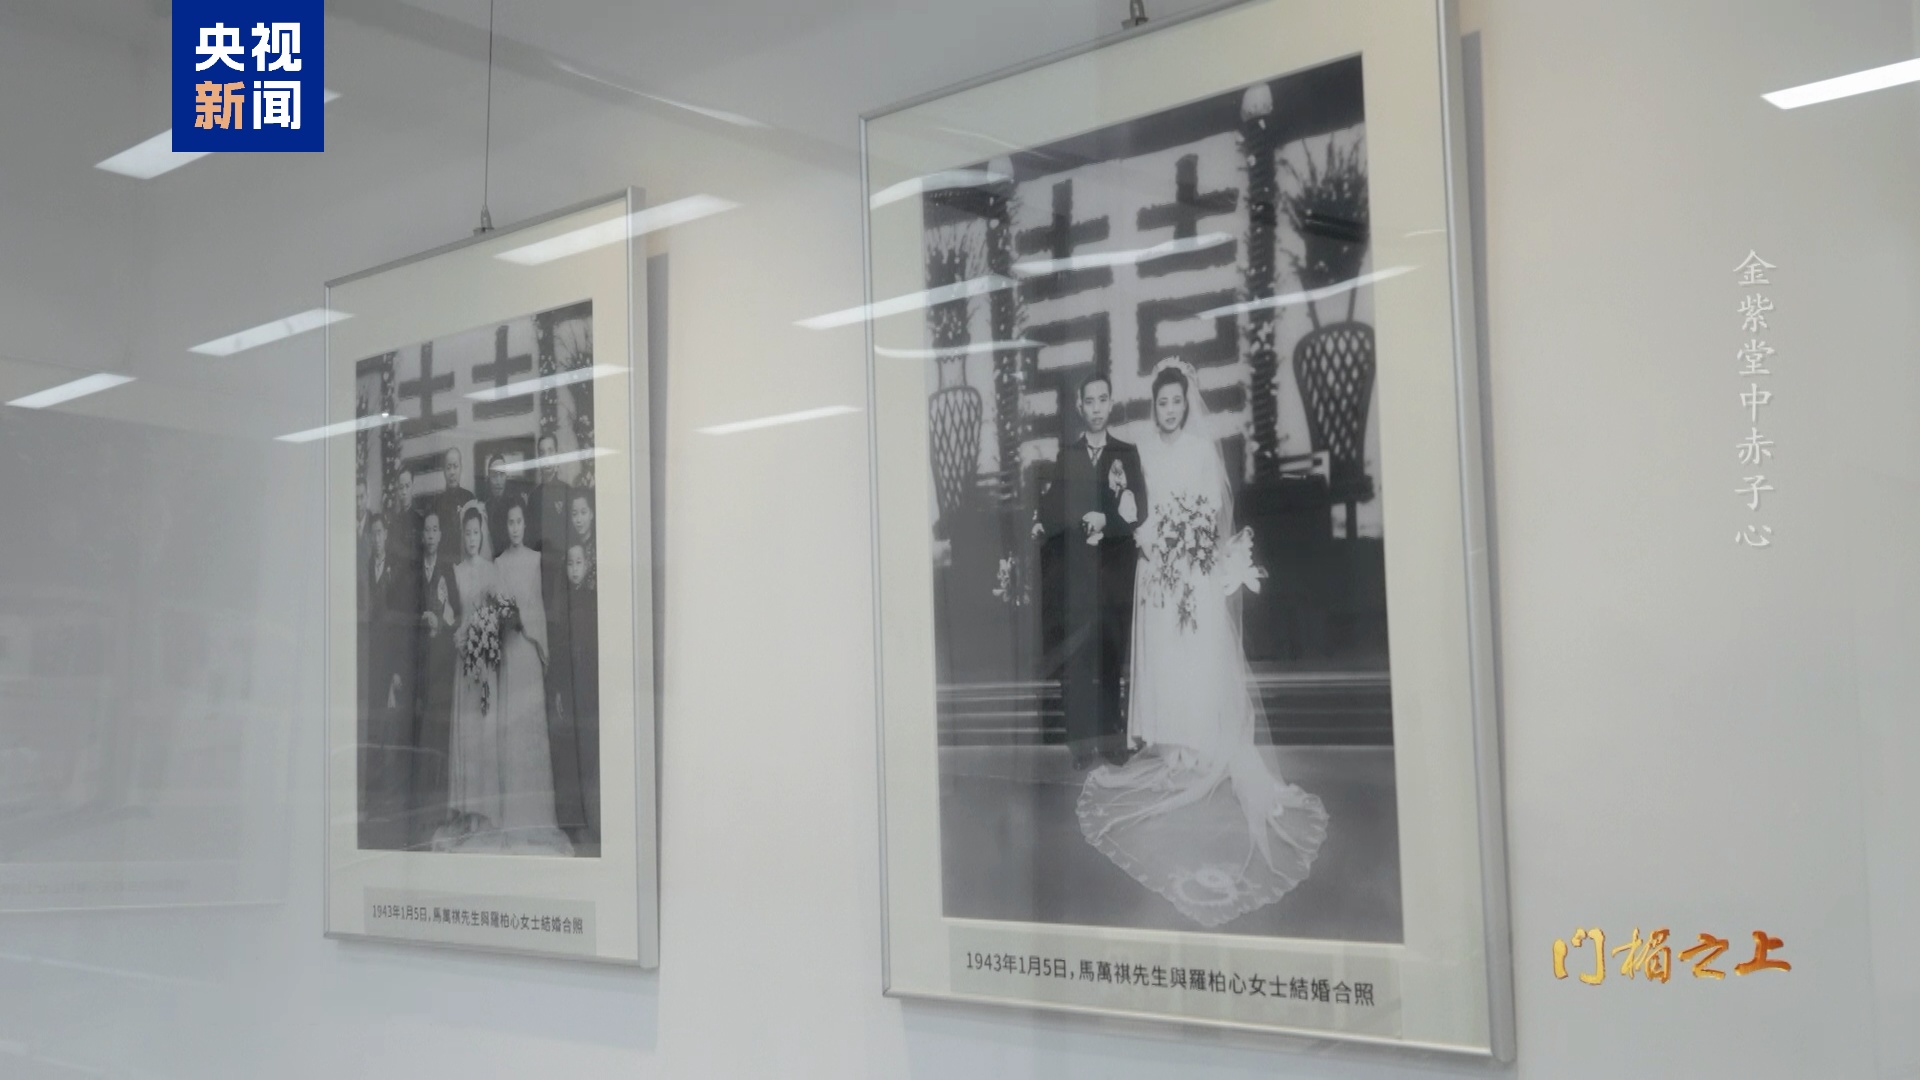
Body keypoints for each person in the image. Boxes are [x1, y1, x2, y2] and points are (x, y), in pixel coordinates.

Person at [1076, 359, 1328, 929]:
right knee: (1163, 657)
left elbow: (1212, 508)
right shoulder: (1142, 449)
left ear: (1186, 404)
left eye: (1176, 403)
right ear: (1154, 406)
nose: (1169, 411)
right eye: (1162, 403)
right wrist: (1147, 534)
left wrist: (1189, 539)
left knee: (1193, 653)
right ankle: (1173, 743)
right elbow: (1135, 504)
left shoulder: (1196, 449)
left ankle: (1200, 742)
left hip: (1190, 567)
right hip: (1157, 567)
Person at [1036, 373, 1145, 770]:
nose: (1097, 408)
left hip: (1115, 572)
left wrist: (1107, 520)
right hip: (1078, 573)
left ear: (1111, 403)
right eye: (1090, 401)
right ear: (1080, 407)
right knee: (1079, 659)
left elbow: (1139, 510)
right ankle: (1081, 742)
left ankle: (1113, 737)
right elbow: (1054, 508)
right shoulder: (1069, 455)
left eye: (1103, 399)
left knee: (1111, 658)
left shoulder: (1126, 453)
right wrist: (1063, 520)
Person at [486, 499, 573, 854]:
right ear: (505, 526)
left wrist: (526, 620)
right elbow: (497, 610)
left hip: (529, 652)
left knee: (531, 730)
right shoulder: (499, 564)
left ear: (525, 524)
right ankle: (513, 817)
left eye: (519, 521)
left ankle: (537, 816)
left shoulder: (536, 560)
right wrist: (506, 619)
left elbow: (537, 605)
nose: (515, 528)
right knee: (512, 728)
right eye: (510, 522)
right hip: (510, 652)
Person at [410, 509, 461, 847]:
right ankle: (420, 814)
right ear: (422, 535)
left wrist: (439, 620)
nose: (430, 535)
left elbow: (457, 614)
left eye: (434, 530)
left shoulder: (447, 570)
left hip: (441, 663)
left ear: (441, 535)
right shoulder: (416, 571)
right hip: (420, 662)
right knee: (421, 732)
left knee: (438, 734)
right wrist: (422, 618)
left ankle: (438, 809)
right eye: (426, 530)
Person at [547, 541, 599, 848]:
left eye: (579, 563)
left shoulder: (593, 601)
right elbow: (556, 649)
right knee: (567, 755)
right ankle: (569, 821)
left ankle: (591, 819)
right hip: (567, 687)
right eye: (570, 563)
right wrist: (557, 690)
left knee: (589, 754)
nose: (575, 569)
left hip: (588, 687)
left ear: (587, 565)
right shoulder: (561, 603)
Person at [433, 448, 475, 562]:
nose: (452, 472)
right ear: (443, 471)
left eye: (455, 466)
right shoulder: (437, 503)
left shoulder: (469, 498)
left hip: (466, 561)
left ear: (461, 468)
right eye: (448, 467)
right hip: (444, 561)